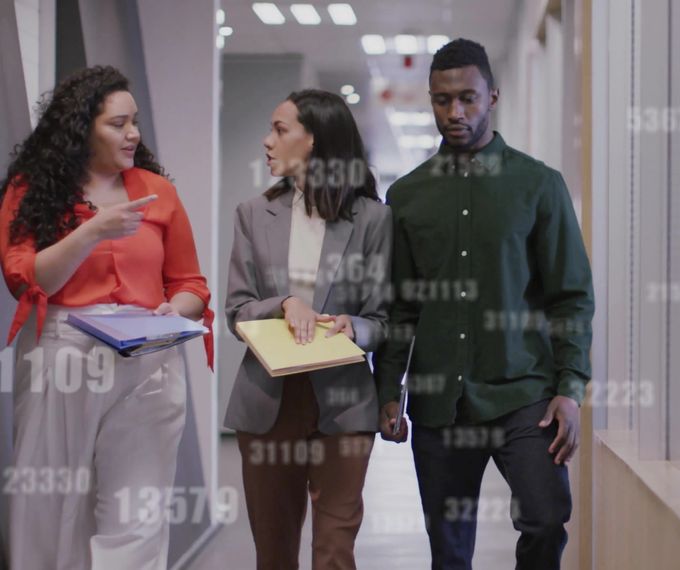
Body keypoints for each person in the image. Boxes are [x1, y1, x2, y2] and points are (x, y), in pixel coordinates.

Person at [374, 38, 595, 570]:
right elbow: (400, 305)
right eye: (442, 100)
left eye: (468, 98)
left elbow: (571, 294)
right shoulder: (407, 197)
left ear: (492, 95)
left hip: (524, 395)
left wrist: (570, 388)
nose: (455, 112)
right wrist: (388, 389)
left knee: (545, 519)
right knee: (449, 553)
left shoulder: (539, 186)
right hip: (439, 403)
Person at [0, 65, 213, 569]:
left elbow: (191, 286)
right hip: (63, 356)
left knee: (139, 510)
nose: (133, 134)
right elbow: (26, 280)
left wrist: (172, 310)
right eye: (118, 124)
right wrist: (91, 231)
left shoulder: (158, 192)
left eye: (134, 121)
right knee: (52, 506)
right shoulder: (33, 191)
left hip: (148, 357)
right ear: (81, 129)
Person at [224, 89, 391, 569]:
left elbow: (382, 321)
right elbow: (238, 310)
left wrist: (351, 326)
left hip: (344, 404)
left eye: (280, 130)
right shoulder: (253, 214)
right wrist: (284, 304)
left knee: (335, 552)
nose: (267, 141)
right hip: (267, 403)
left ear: (315, 141)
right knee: (274, 553)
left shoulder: (374, 220)